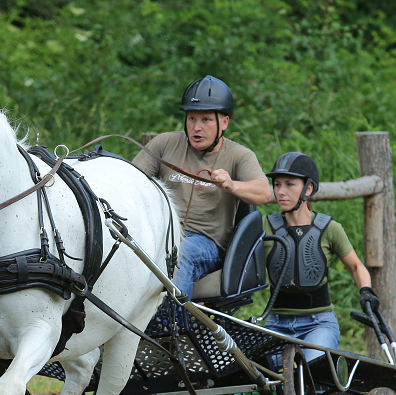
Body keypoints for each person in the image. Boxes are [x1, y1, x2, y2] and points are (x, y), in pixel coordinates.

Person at [132, 75, 272, 299]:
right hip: (160, 234)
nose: (197, 127)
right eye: (192, 118)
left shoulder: (239, 155)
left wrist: (231, 184)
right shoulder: (164, 143)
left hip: (207, 244)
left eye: (206, 120)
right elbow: (131, 181)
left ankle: (173, 325)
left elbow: (264, 193)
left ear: (224, 122)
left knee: (181, 252)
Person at [262, 151, 380, 363]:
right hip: (275, 323)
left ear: (308, 189)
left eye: (289, 184)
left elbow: (355, 266)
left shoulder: (329, 229)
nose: (280, 191)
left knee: (312, 372)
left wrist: (366, 291)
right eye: (277, 184)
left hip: (318, 323)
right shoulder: (265, 226)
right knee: (261, 380)